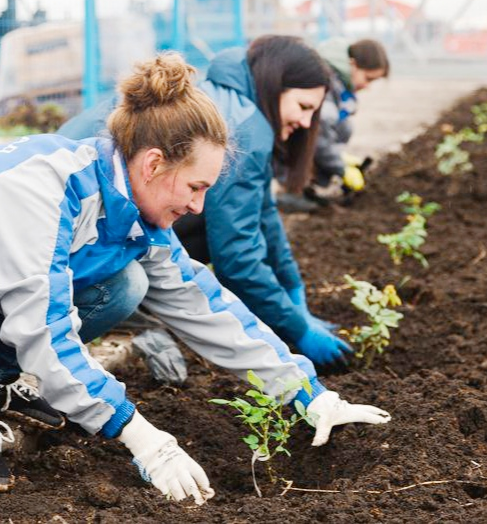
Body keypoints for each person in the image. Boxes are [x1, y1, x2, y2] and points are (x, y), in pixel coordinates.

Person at [0, 53, 391, 502]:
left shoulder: (130, 206)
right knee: (66, 318)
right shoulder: (44, 191)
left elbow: (201, 302)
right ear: (153, 164)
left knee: (126, 285)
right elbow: (44, 331)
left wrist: (307, 392)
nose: (198, 208)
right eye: (195, 187)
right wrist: (142, 437)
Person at [59, 36, 353, 368]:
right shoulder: (247, 126)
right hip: (70, 219)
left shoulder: (231, 99)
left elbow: (263, 214)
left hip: (81, 213)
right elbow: (237, 256)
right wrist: (297, 330)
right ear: (275, 86)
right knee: (142, 278)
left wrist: (293, 288)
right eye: (303, 107)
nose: (305, 122)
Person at [278, 37, 390, 211]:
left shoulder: (338, 82)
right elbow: (320, 130)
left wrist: (340, 158)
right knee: (333, 128)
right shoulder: (325, 78)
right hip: (283, 138)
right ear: (352, 64)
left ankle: (303, 186)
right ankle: (292, 191)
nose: (367, 86)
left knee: (344, 127)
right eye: (368, 78)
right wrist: (340, 167)